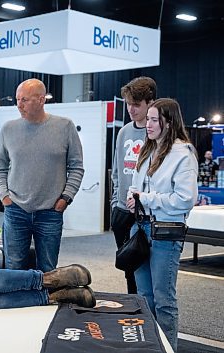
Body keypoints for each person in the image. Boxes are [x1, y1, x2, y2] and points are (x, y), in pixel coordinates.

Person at [126, 98, 198, 352]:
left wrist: (145, 199)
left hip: (166, 232)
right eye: (149, 119)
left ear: (169, 122)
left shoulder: (183, 153)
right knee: (144, 297)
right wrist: (133, 197)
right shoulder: (148, 150)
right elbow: (139, 186)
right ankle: (150, 346)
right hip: (141, 229)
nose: (149, 124)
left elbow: (185, 200)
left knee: (164, 299)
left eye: (155, 119)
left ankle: (167, 348)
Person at [0, 78, 84, 272]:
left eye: (24, 99)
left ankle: (43, 303)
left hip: (50, 212)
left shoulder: (65, 127)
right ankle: (17, 303)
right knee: (13, 268)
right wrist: (5, 197)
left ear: (41, 100)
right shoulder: (8, 129)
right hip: (16, 210)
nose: (19, 104)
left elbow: (76, 167)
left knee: (48, 270)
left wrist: (65, 198)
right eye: (17, 99)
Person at [111, 76, 157, 294]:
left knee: (147, 269)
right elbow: (117, 171)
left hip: (145, 211)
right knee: (128, 267)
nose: (131, 109)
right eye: (129, 103)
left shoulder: (157, 134)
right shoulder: (124, 132)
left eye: (136, 104)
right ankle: (133, 307)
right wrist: (115, 202)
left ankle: (147, 314)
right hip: (122, 211)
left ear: (150, 102)